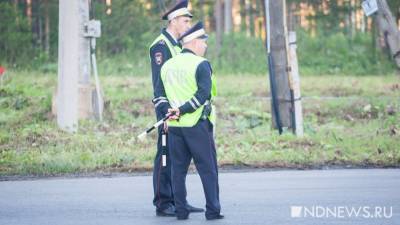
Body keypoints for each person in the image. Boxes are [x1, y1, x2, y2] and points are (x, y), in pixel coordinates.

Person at [160, 22, 223, 220]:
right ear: (195, 42)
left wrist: (172, 112)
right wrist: (184, 109)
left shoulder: (168, 65)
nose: (205, 47)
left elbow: (162, 95)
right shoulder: (200, 64)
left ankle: (181, 211)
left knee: (177, 171)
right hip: (197, 124)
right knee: (208, 169)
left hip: (175, 126)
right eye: (204, 42)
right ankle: (213, 211)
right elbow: (203, 94)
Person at [148, 0, 203, 217]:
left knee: (179, 157)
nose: (189, 24)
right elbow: (159, 85)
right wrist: (166, 115)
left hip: (180, 111)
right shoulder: (161, 46)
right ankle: (163, 202)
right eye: (185, 20)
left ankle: (179, 200)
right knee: (165, 156)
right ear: (173, 21)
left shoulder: (179, 45)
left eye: (189, 20)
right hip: (168, 111)